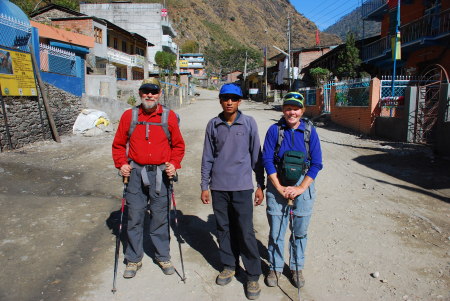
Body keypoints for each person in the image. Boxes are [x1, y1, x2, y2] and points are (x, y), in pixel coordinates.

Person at [112, 78, 185, 279]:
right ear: (140, 93)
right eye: (145, 91)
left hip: (161, 175)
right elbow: (118, 144)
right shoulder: (129, 116)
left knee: (160, 217)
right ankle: (133, 259)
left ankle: (163, 255)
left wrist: (174, 164)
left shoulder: (169, 117)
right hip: (135, 173)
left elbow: (178, 145)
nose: (149, 95)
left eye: (153, 92)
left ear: (159, 94)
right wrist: (122, 164)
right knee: (134, 217)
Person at [200, 83, 265, 300]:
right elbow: (207, 157)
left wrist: (260, 185)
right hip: (219, 187)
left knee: (245, 230)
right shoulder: (213, 124)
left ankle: (253, 274)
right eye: (225, 98)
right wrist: (204, 186)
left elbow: (257, 155)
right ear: (220, 100)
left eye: (234, 99)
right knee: (223, 228)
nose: (229, 102)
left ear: (240, 101)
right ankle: (229, 265)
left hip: (242, 187)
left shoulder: (248, 123)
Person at [262, 92, 323, 288]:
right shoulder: (274, 130)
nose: (292, 112)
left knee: (299, 231)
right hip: (277, 183)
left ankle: (296, 267)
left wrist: (300, 188)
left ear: (302, 110)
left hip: (302, 184)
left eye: (296, 108)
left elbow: (316, 163)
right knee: (277, 230)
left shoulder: (310, 131)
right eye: (288, 108)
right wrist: (278, 187)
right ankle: (275, 267)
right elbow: (267, 160)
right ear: (283, 110)